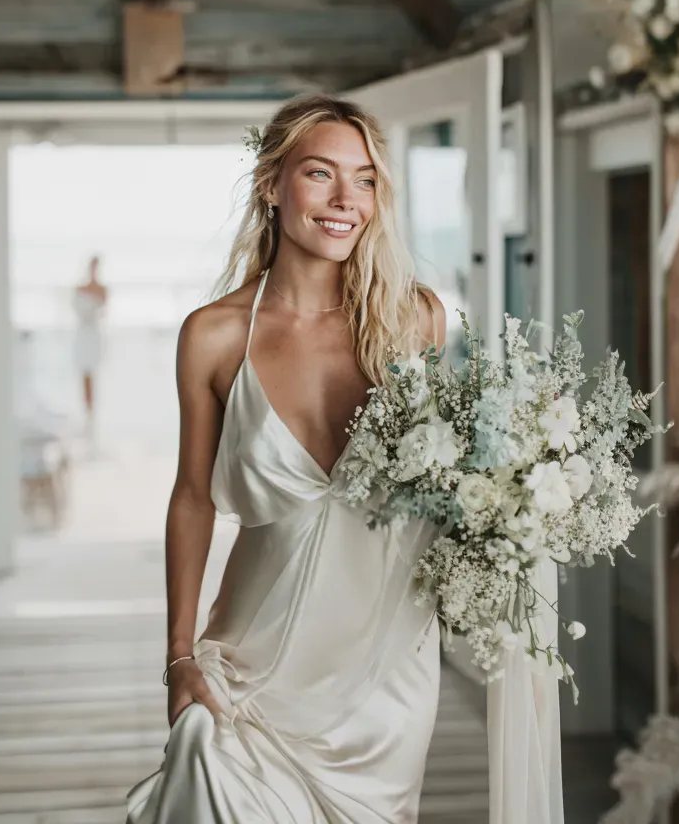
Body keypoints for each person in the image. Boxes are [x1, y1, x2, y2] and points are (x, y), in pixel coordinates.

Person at [126, 95, 448, 824]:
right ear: (271, 186)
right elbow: (191, 497)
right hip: (250, 656)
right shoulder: (212, 336)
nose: (346, 201)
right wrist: (179, 656)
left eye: (365, 180)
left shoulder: (414, 320)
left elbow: (450, 481)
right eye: (320, 174)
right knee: (208, 780)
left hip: (384, 666)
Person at [72, 255, 107, 442]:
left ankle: (91, 416)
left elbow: (103, 311)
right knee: (84, 374)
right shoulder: (80, 288)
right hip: (83, 336)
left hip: (94, 336)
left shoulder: (102, 289)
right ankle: (86, 413)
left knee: (93, 374)